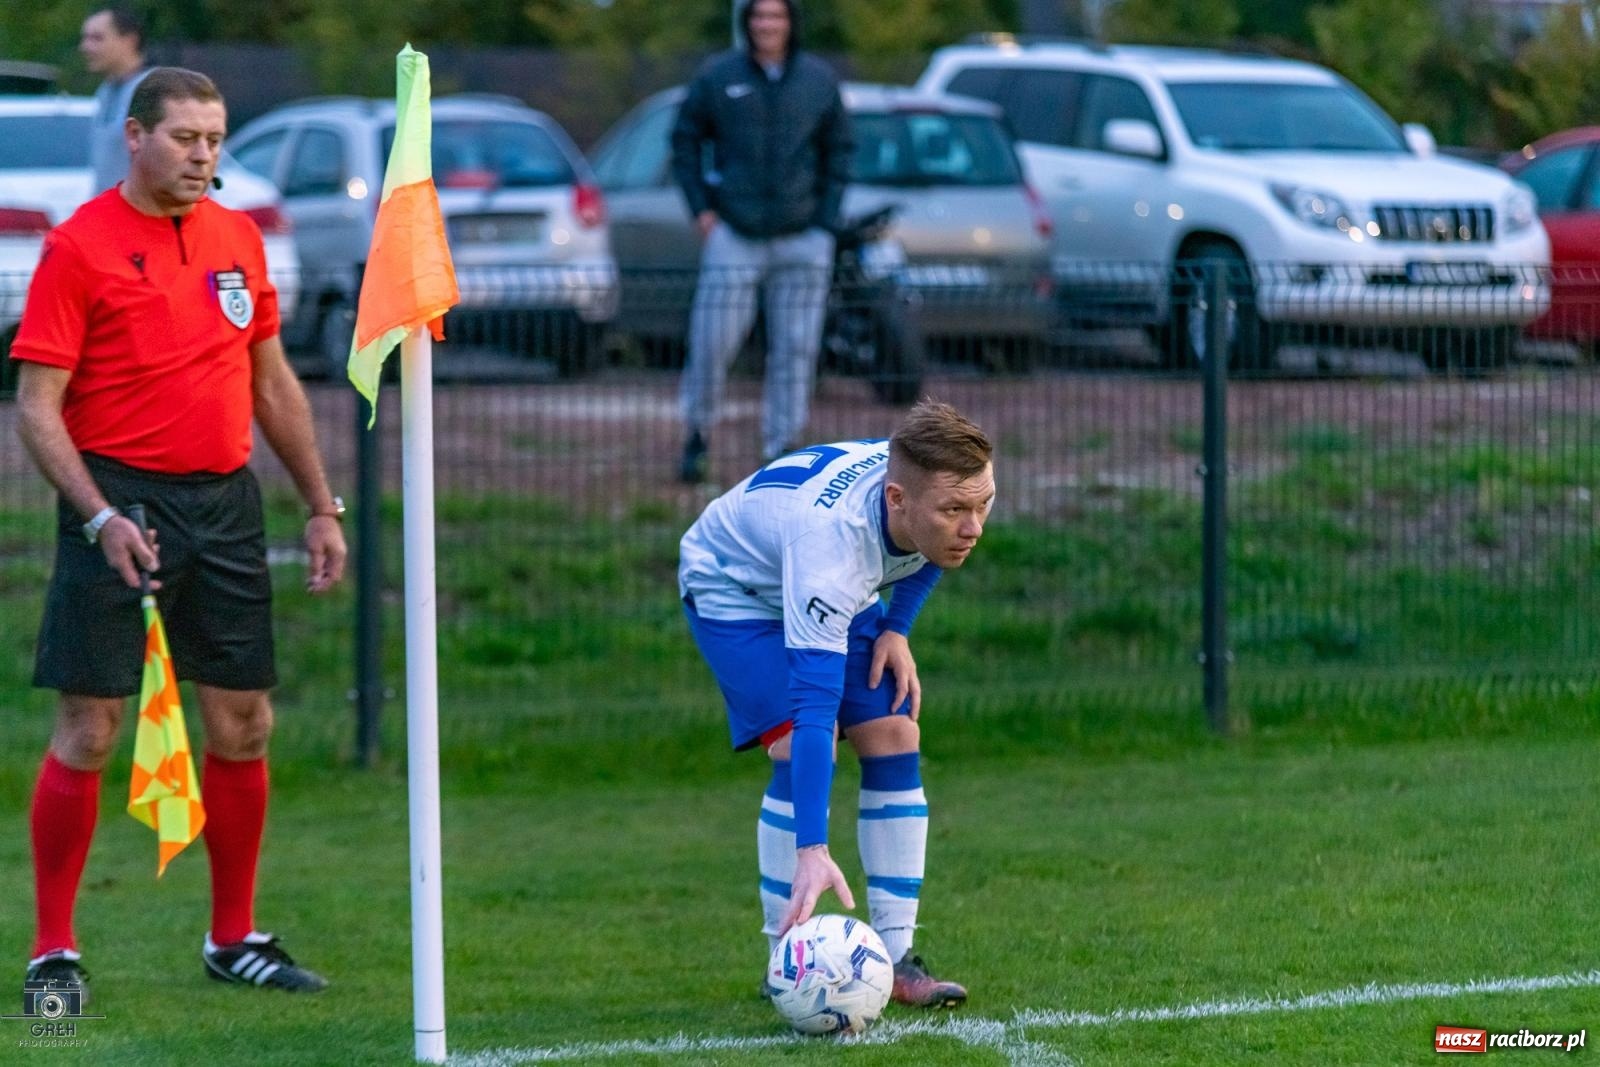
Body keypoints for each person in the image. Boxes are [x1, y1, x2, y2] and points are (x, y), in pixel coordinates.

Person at [12, 67, 347, 1003]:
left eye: (215, 138)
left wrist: (321, 504)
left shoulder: (239, 237)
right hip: (115, 499)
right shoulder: (78, 247)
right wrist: (100, 514)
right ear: (135, 136)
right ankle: (52, 954)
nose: (204, 155)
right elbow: (36, 409)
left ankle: (233, 937)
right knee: (91, 727)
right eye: (185, 137)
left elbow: (274, 383)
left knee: (245, 722)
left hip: (225, 503)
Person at [679, 398, 992, 1009]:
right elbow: (818, 713)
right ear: (896, 498)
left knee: (895, 734)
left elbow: (932, 549)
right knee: (797, 739)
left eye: (983, 505)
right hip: (735, 589)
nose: (974, 525)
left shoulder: (947, 482)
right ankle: (787, 961)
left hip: (823, 577)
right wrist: (813, 850)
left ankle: (898, 960)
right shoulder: (833, 552)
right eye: (957, 509)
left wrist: (897, 627)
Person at [669, 0, 852, 484]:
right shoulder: (719, 77)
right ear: (746, 23)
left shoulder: (817, 80)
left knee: (796, 348)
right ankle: (697, 434)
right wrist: (702, 208)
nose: (767, 25)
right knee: (713, 341)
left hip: (803, 237)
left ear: (792, 23)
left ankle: (782, 449)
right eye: (758, 16)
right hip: (737, 233)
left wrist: (825, 221)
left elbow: (840, 150)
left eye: (777, 16)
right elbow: (684, 140)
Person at [81, 5, 151, 194]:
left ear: (129, 41)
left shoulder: (153, 90)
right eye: (85, 38)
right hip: (111, 216)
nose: (85, 47)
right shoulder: (106, 91)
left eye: (97, 38)